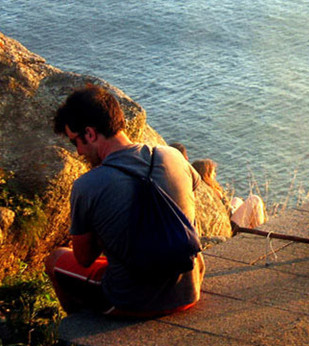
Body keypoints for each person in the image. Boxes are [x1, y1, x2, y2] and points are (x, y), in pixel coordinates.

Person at [44, 84, 205, 317]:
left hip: (131, 302)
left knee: (56, 258)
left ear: (90, 133)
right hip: (189, 291)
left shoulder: (87, 186)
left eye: (74, 142)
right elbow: (190, 197)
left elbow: (84, 258)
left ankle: (77, 328)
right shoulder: (173, 156)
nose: (78, 152)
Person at [193, 158, 267, 229]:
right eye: (213, 172)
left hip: (227, 218)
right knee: (255, 200)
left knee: (237, 200)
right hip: (229, 226)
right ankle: (260, 233)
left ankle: (252, 227)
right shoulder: (213, 192)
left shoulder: (201, 190)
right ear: (206, 175)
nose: (215, 174)